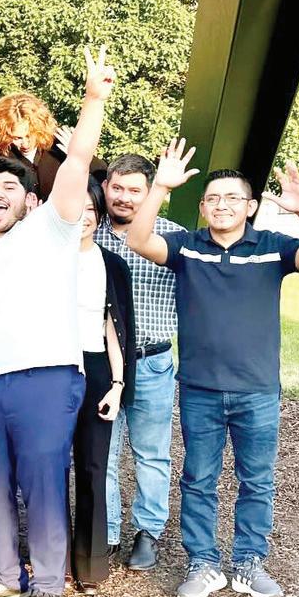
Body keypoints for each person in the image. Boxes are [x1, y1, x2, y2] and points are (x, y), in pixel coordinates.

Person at [0, 47, 116, 597]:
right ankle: (5, 575)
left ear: (31, 198)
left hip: (46, 379)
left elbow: (79, 158)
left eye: (8, 188)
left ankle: (47, 586)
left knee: (42, 482)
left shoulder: (51, 231)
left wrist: (92, 100)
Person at [126, 143, 299, 597]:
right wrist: (159, 187)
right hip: (199, 389)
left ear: (251, 206)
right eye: (213, 199)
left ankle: (248, 562)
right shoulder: (187, 247)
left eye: (232, 198)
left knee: (257, 480)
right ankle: (203, 563)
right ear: (203, 208)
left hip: (257, 390)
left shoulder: (272, 248)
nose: (222, 205)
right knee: (198, 480)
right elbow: (139, 241)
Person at [94, 154, 186, 572]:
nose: (124, 197)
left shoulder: (172, 237)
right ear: (105, 187)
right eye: (117, 188)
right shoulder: (89, 233)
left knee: (150, 453)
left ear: (151, 194)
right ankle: (108, 531)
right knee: (103, 451)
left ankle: (147, 531)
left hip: (151, 360)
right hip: (100, 361)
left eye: (135, 191)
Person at [69, 177, 136, 595]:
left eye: (91, 210)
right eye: (76, 209)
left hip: (96, 370)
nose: (84, 217)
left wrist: (117, 383)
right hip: (52, 368)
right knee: (52, 468)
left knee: (94, 467)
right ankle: (54, 557)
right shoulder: (45, 259)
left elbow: (116, 328)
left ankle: (90, 564)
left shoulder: (112, 264)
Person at [0, 93, 107, 201]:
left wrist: (80, 157)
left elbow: (103, 175)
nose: (25, 143)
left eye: (30, 135)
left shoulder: (59, 145)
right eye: (17, 138)